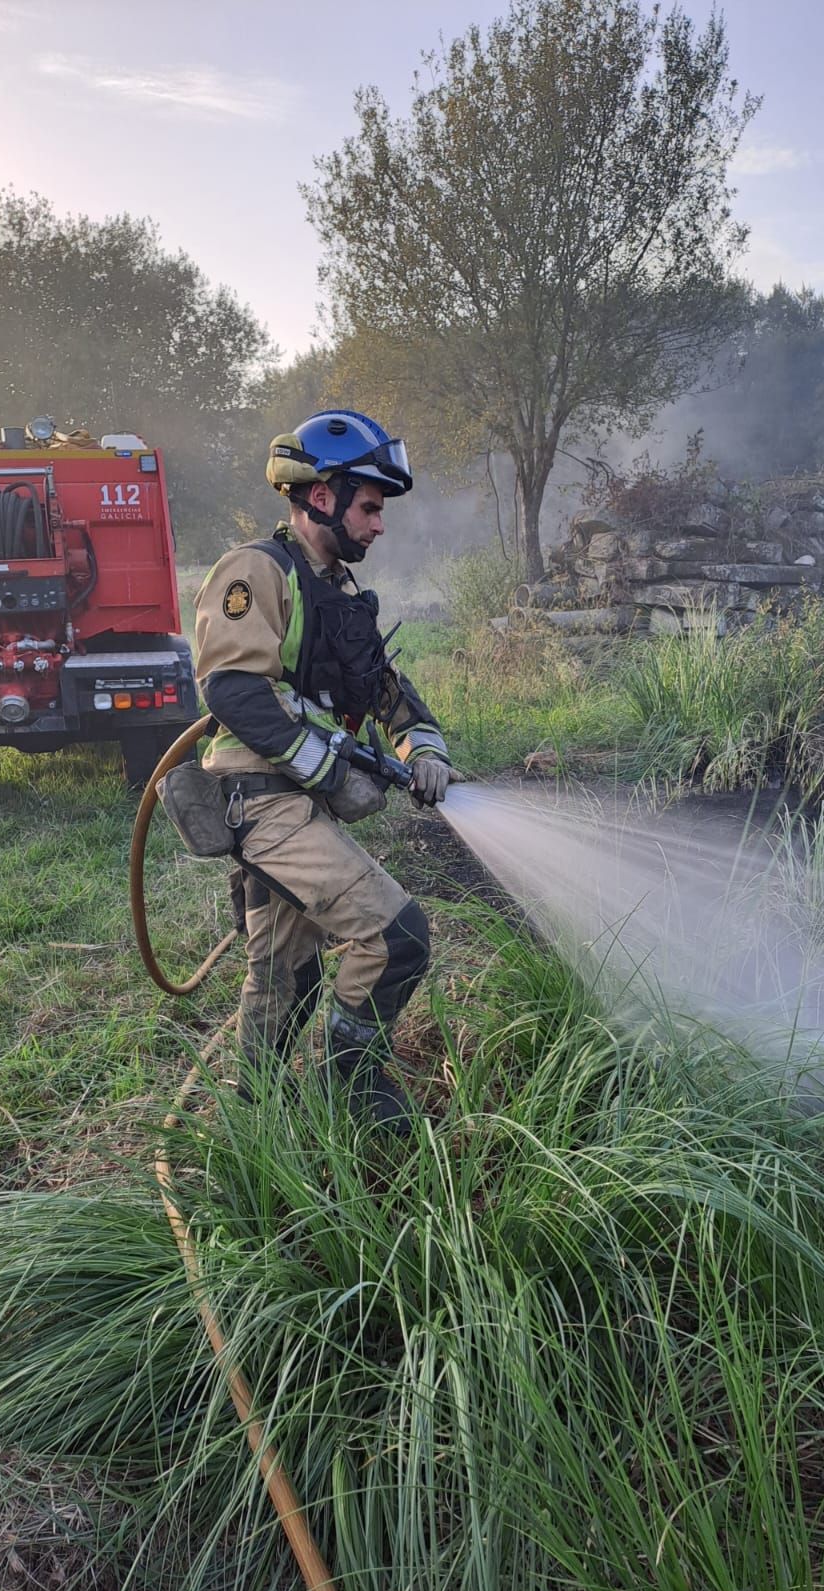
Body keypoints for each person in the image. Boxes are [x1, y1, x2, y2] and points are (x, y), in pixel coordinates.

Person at [191, 409, 459, 1133]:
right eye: (369, 507)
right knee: (396, 935)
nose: (378, 525)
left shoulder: (338, 595)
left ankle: (254, 1124)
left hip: (298, 801)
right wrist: (335, 774)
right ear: (320, 496)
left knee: (287, 980)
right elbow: (234, 689)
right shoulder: (256, 571)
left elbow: (383, 688)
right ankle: (353, 1088)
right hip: (265, 799)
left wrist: (422, 751)